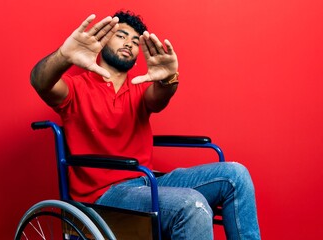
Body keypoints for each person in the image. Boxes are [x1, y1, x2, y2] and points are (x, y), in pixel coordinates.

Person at [31, 10, 261, 240]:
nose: (129, 44)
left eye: (134, 42)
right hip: (105, 195)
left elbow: (160, 96)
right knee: (192, 204)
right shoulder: (76, 88)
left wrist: (169, 78)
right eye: (121, 36)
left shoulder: (140, 91)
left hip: (147, 181)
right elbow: (41, 83)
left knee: (236, 175)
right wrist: (63, 55)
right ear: (102, 41)